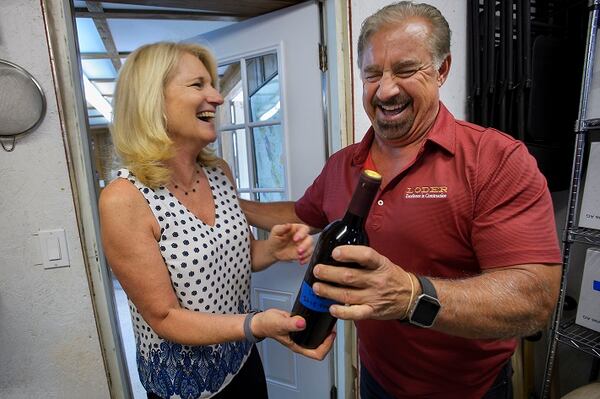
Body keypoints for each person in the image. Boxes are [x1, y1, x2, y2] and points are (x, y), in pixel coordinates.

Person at [240, 2, 562, 398]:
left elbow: (534, 298)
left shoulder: (495, 160)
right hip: (376, 382)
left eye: (406, 70)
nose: (386, 89)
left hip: (471, 390)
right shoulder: (343, 165)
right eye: (372, 74)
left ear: (442, 70)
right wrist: (225, 201)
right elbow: (302, 215)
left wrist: (412, 296)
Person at [98, 41, 334, 399]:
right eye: (198, 85)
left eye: (213, 85)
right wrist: (255, 324)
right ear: (153, 100)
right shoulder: (124, 198)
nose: (217, 98)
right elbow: (165, 317)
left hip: (240, 359)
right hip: (186, 388)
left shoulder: (218, 173)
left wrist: (272, 249)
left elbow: (235, 257)